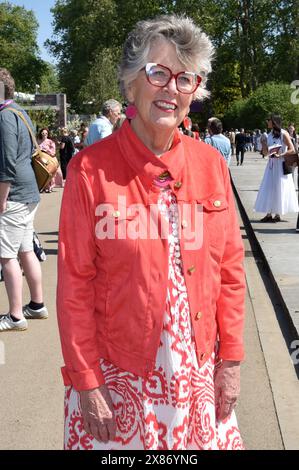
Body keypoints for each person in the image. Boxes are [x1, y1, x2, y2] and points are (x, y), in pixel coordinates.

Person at [57, 15, 246, 450]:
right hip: (117, 375)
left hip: (198, 371)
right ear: (129, 84)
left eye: (185, 79)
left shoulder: (211, 165)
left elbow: (231, 273)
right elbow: (74, 287)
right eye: (158, 73)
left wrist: (231, 360)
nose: (171, 90)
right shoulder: (89, 171)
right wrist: (87, 382)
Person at [0, 68, 48, 332]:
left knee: (6, 256)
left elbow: (6, 162)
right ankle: (36, 304)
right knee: (25, 249)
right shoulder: (19, 111)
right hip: (29, 191)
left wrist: (1, 199)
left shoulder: (4, 117)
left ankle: (15, 315)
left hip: (14, 194)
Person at [254, 114, 298, 222]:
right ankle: (269, 213)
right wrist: (263, 143)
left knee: (280, 187)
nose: (267, 122)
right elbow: (265, 153)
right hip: (271, 164)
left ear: (274, 122)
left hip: (281, 164)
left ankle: (277, 214)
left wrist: (281, 154)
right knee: (269, 187)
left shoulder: (284, 133)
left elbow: (292, 149)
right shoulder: (268, 135)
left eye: (268, 120)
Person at [37, 127, 56, 193]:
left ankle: (49, 187)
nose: (44, 134)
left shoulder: (50, 142)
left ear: (48, 134)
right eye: (43, 133)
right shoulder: (38, 141)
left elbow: (53, 152)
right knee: (40, 173)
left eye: (46, 133)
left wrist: (46, 150)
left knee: (48, 172)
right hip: (39, 159)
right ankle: (41, 186)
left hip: (48, 159)